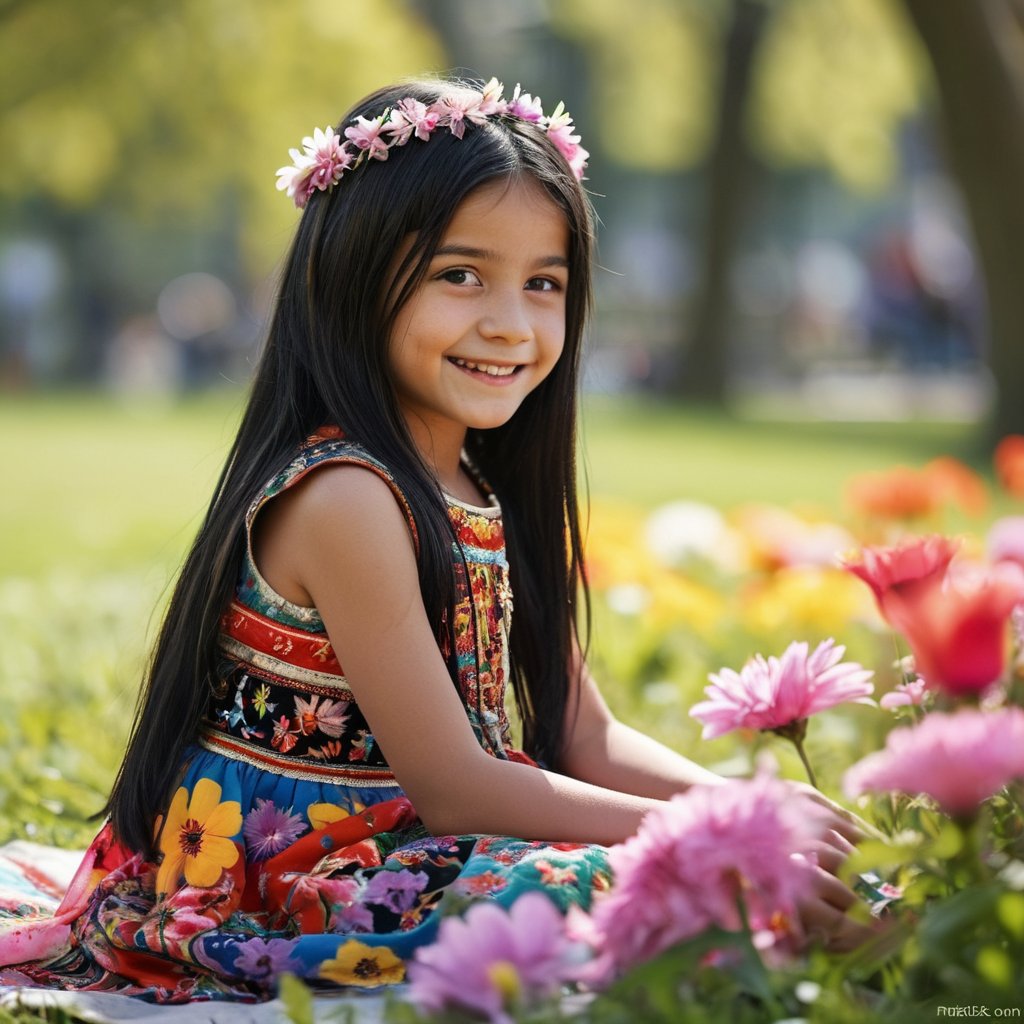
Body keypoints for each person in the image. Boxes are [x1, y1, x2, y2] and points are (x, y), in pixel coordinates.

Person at [0, 75, 870, 1004]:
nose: (509, 322)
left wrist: (745, 812)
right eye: (460, 275)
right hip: (290, 871)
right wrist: (721, 830)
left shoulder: (489, 486)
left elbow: (585, 732)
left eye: (545, 284)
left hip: (426, 841)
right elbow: (457, 785)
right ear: (354, 276)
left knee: (772, 877)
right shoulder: (347, 496)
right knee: (648, 893)